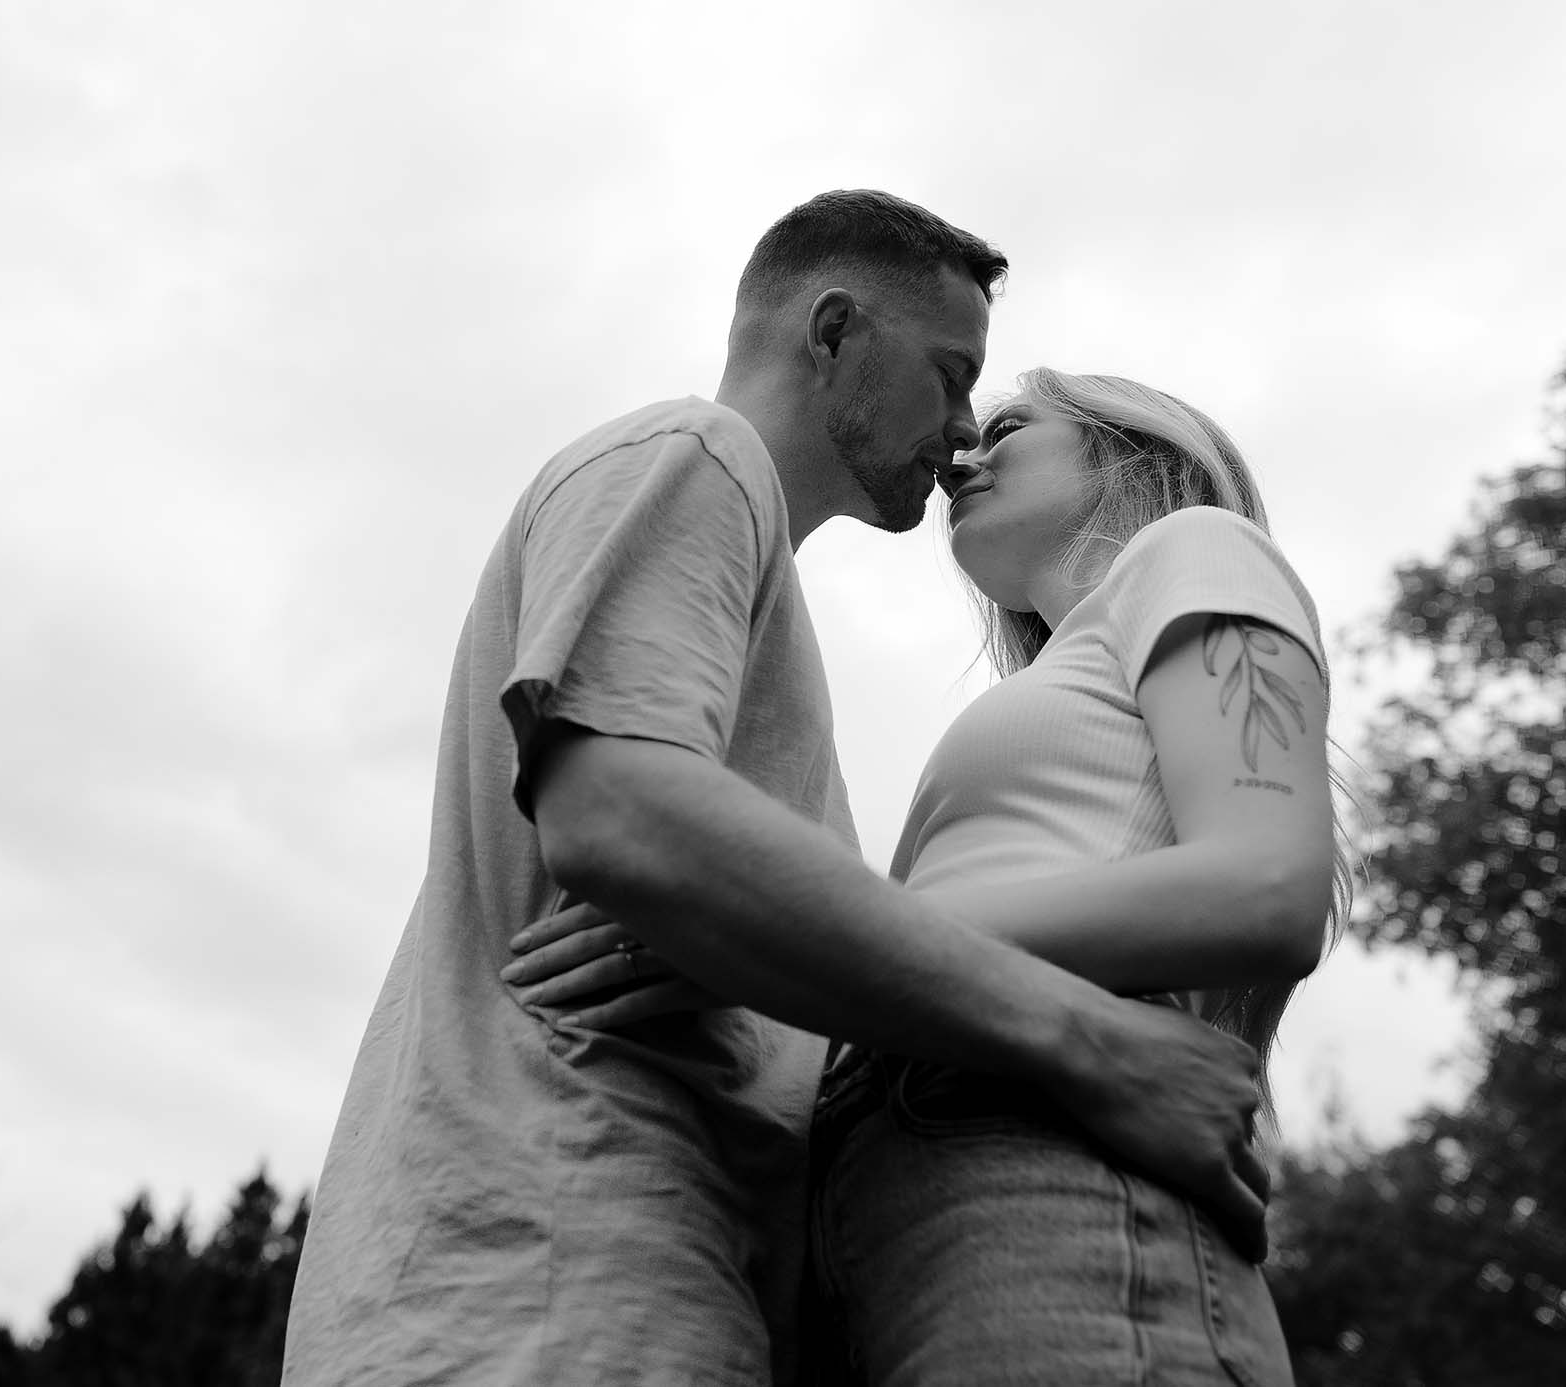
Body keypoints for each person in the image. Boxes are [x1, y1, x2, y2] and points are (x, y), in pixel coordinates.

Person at [282, 192, 1275, 1387]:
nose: (963, 430)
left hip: (628, 1277)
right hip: (550, 1265)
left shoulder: (773, 653)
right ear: (833, 330)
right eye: (953, 375)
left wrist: (756, 944)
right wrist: (1090, 1040)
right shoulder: (696, 455)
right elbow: (621, 816)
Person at [515, 368, 1347, 1384]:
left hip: (1042, 1144)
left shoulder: (1197, 547)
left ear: (1131, 447)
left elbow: (1266, 887)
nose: (961, 457)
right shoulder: (1063, 675)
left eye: (1008, 426)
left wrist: (786, 931)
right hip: (880, 1182)